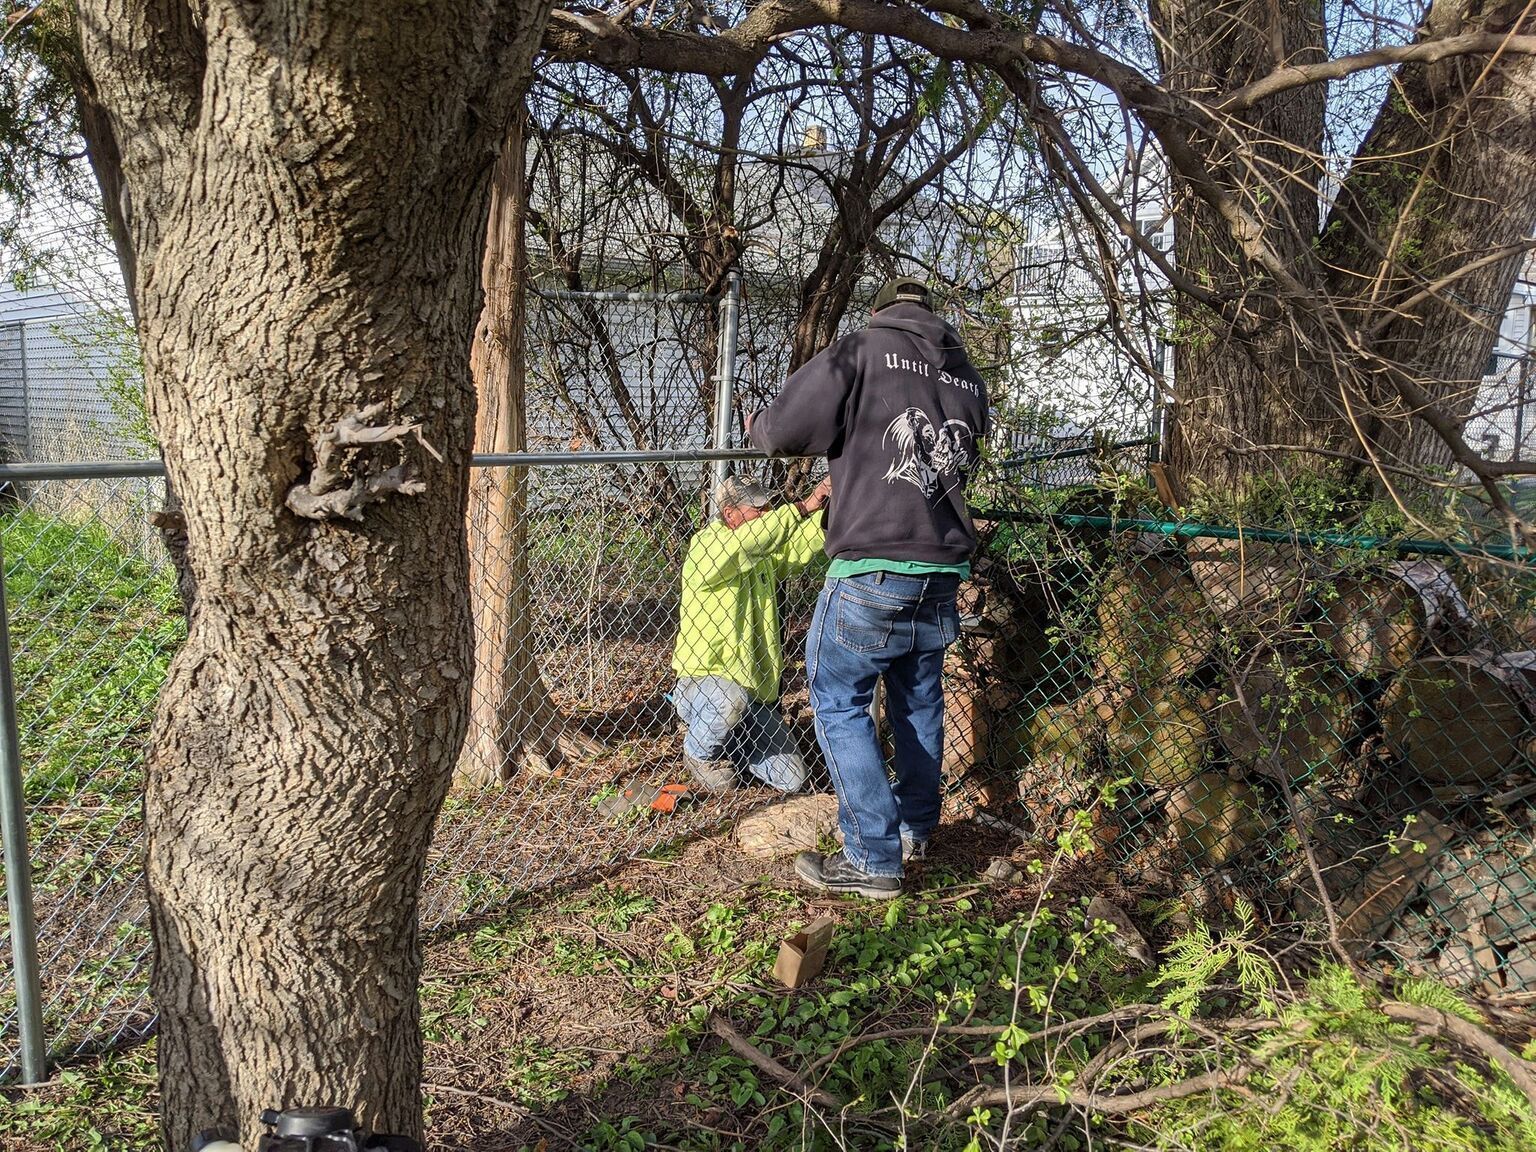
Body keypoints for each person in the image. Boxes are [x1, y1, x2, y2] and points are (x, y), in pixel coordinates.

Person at [749, 276, 989, 899]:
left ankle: (872, 856)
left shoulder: (862, 349)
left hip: (873, 563)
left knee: (838, 699)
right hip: (940, 568)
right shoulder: (966, 377)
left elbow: (781, 430)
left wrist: (760, 428)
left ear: (880, 311)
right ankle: (914, 830)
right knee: (917, 701)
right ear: (929, 316)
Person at [671, 473, 832, 793]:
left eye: (768, 506)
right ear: (730, 514)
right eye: (757, 508)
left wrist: (830, 507)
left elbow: (798, 545)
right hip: (704, 688)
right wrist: (803, 505)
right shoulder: (707, 545)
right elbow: (747, 543)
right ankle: (698, 750)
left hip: (754, 700)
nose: (767, 512)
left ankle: (730, 749)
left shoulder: (760, 555)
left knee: (793, 780)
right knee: (729, 700)